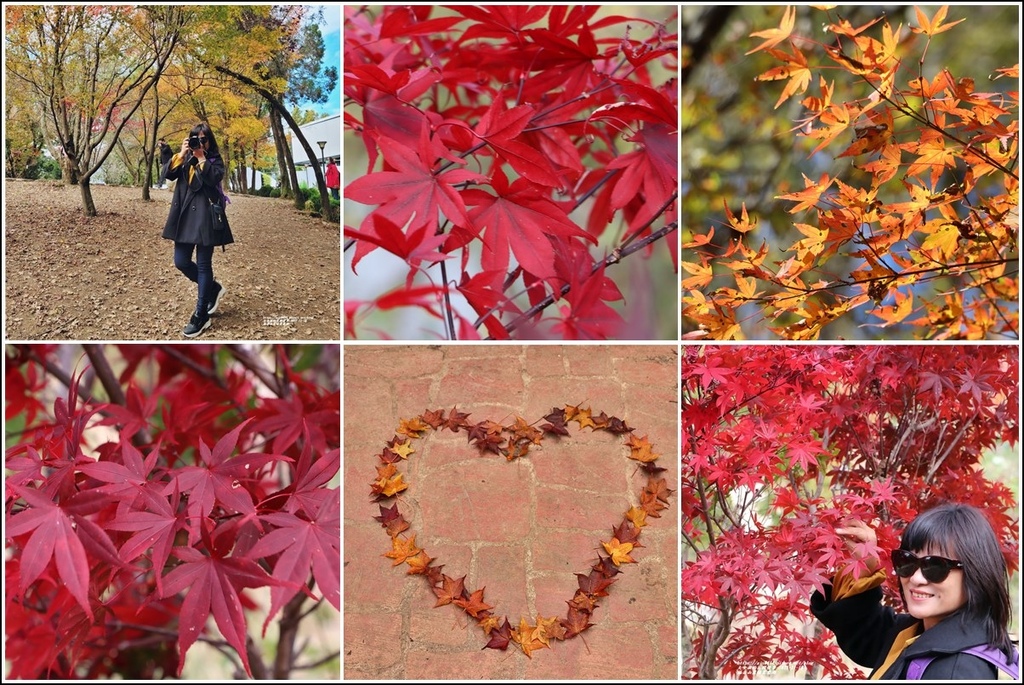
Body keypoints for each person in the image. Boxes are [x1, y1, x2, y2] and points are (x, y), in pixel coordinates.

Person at [810, 503, 1017, 680]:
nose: (916, 579)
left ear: (976, 573)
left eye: (935, 566)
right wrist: (864, 563)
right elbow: (867, 633)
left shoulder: (958, 671)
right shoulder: (920, 633)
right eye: (907, 561)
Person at [161, 122, 233, 337]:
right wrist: (182, 154)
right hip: (183, 217)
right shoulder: (184, 159)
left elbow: (213, 178)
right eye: (195, 138)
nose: (199, 142)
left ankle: (201, 314)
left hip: (205, 217)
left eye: (203, 139)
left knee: (203, 264)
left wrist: (201, 157)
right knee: (181, 261)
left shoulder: (214, 160)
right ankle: (212, 288)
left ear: (209, 142)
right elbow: (168, 175)